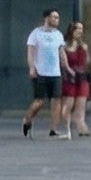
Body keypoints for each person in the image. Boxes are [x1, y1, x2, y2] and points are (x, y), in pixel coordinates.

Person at [23, 9, 64, 137]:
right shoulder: (36, 34)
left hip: (55, 73)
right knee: (39, 101)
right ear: (47, 18)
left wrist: (66, 66)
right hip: (40, 72)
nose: (57, 20)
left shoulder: (58, 35)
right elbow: (30, 52)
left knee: (56, 101)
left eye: (58, 17)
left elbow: (61, 52)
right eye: (54, 17)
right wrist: (31, 67)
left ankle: (53, 129)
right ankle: (27, 119)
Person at [57, 21, 91, 139]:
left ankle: (81, 125)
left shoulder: (84, 46)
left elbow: (87, 62)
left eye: (81, 29)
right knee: (67, 105)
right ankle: (71, 128)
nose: (80, 31)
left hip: (81, 78)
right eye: (78, 29)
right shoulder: (64, 47)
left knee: (81, 105)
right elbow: (62, 63)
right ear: (72, 31)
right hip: (69, 78)